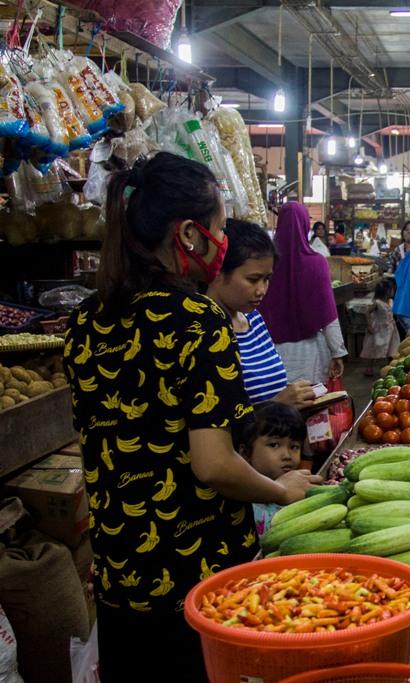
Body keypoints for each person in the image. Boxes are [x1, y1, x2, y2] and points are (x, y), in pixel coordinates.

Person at [64, 152, 321, 683]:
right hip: (194, 574)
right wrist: (283, 491)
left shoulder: (85, 320)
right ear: (188, 235)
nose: (223, 241)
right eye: (220, 229)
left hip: (121, 569)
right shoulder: (198, 320)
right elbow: (212, 464)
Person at [206, 219, 317, 409]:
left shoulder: (254, 319)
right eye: (253, 279)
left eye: (267, 279)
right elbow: (213, 420)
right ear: (219, 271)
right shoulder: (203, 330)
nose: (261, 290)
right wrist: (277, 404)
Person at [259, 202, 347, 386]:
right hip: (310, 356)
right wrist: (337, 351)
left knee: (277, 410)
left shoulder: (264, 262)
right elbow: (328, 313)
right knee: (310, 406)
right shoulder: (317, 263)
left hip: (269, 355)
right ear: (305, 225)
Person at [237, 402, 306, 537]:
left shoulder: (300, 488)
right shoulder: (243, 500)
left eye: (294, 447)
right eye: (274, 445)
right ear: (245, 453)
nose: (287, 455)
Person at [360, 279, 400, 376]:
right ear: (386, 291)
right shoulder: (377, 303)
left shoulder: (390, 301)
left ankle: (388, 366)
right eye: (391, 290)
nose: (393, 291)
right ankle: (369, 367)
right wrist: (369, 325)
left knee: (391, 347)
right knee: (373, 348)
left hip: (390, 329)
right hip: (378, 329)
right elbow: (367, 312)